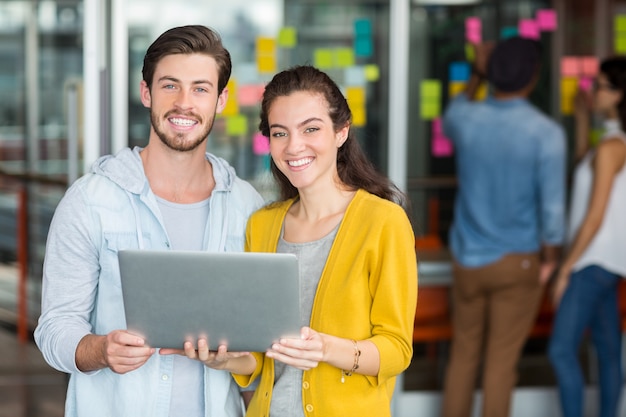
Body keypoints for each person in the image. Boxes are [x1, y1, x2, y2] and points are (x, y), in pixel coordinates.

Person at [34, 25, 264, 417]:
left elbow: (262, 342)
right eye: (170, 86)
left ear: (221, 99)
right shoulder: (90, 200)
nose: (184, 103)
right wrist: (100, 350)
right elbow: (55, 328)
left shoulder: (247, 206)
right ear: (146, 93)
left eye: (200, 88)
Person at [179, 65, 418, 416]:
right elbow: (262, 358)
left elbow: (396, 350)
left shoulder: (383, 222)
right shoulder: (262, 225)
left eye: (311, 129)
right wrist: (228, 360)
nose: (294, 146)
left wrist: (325, 349)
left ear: (341, 132)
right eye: (280, 133)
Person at [440, 37, 567, 417]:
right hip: (518, 262)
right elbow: (553, 210)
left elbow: (454, 111)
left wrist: (477, 71)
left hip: (467, 261)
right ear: (534, 77)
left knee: (463, 357)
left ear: (492, 74)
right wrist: (550, 259)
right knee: (500, 364)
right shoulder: (545, 133)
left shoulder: (465, 119)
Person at [548, 57, 626, 417]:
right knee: (608, 352)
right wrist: (581, 121)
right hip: (605, 264)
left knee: (561, 351)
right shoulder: (610, 142)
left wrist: (566, 268)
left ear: (620, 94)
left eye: (601, 86)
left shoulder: (613, 148)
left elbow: (593, 217)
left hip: (590, 262)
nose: (592, 91)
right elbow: (583, 168)